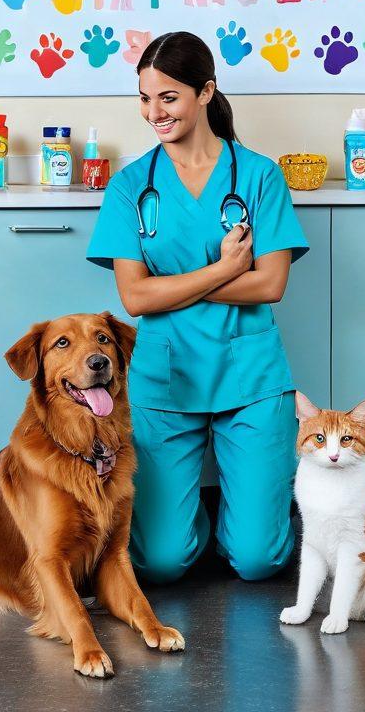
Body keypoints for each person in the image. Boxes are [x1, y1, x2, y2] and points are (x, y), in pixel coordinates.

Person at [87, 31, 309, 583]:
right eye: (144, 98)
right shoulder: (129, 187)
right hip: (166, 377)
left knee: (259, 560)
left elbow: (271, 285)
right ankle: (194, 519)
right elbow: (135, 298)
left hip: (251, 376)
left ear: (206, 92)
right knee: (159, 563)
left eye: (168, 97)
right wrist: (226, 269)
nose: (153, 112)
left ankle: (241, 520)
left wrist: (174, 283)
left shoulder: (259, 176)